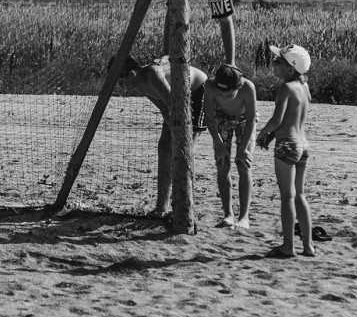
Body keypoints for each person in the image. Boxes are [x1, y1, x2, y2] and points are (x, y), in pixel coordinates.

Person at [114, 54, 207, 219]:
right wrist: (172, 129)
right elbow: (164, 108)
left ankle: (184, 209)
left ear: (131, 74)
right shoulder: (140, 85)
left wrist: (179, 136)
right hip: (178, 101)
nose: (120, 86)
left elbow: (173, 102)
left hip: (198, 90)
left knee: (185, 151)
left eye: (120, 81)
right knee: (164, 148)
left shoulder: (152, 74)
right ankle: (161, 207)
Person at [256, 44, 315, 258]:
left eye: (278, 61)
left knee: (287, 197)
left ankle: (288, 246)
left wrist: (261, 134)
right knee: (300, 195)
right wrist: (272, 136)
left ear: (290, 69)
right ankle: (308, 246)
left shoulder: (286, 88)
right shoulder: (304, 88)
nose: (274, 64)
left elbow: (277, 120)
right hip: (303, 144)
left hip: (287, 146)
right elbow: (291, 119)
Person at [204, 64, 257, 229]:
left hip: (244, 121)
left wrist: (242, 149)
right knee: (222, 164)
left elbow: (251, 119)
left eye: (228, 94)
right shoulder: (210, 86)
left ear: (239, 86)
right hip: (221, 119)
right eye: (221, 94)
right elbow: (209, 116)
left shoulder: (248, 88)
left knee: (243, 165)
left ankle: (244, 217)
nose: (224, 97)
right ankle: (228, 215)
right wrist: (218, 144)